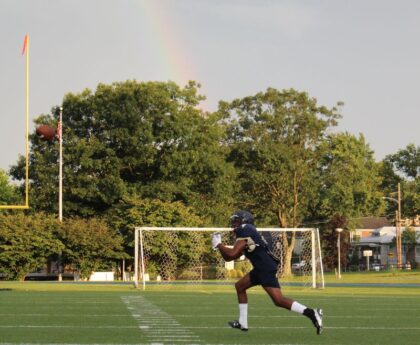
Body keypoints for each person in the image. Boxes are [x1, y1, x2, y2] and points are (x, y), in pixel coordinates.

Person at [211, 210, 323, 334]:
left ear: (244, 221)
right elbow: (230, 257)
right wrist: (219, 246)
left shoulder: (245, 228)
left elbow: (231, 254)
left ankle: (312, 313)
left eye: (236, 220)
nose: (234, 223)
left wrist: (219, 244)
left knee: (279, 300)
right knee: (240, 286)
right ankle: (243, 322)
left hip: (264, 268)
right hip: (261, 268)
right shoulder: (247, 231)